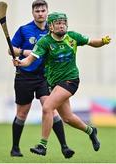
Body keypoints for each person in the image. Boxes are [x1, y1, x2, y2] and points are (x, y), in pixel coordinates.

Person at [13, 12, 111, 156]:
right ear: (51, 26)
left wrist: (102, 41)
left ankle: (42, 145)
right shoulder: (44, 42)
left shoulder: (72, 36)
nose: (61, 25)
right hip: (54, 83)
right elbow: (30, 59)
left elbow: (91, 42)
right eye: (58, 23)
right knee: (67, 118)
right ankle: (91, 131)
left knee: (47, 107)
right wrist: (20, 62)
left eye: (63, 22)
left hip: (71, 80)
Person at [9, 1, 74, 158]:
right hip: (24, 76)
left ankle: (65, 147)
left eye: (43, 10)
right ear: (33, 13)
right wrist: (26, 52)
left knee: (50, 108)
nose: (40, 13)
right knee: (22, 113)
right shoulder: (24, 30)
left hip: (44, 77)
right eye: (37, 11)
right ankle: (15, 148)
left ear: (47, 12)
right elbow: (11, 50)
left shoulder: (53, 30)